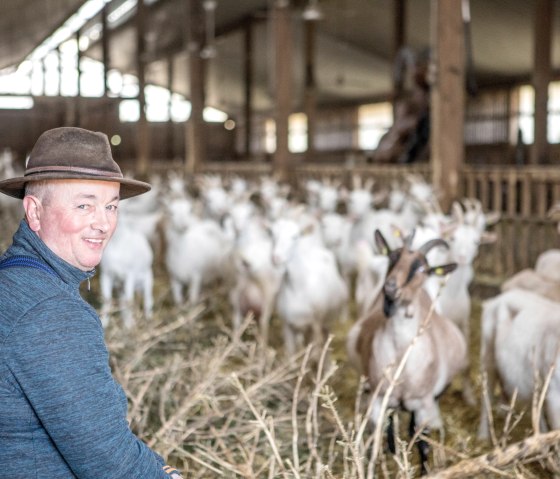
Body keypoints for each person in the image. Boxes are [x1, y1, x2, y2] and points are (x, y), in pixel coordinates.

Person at [0, 127, 184, 478]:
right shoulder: (51, 312)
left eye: (111, 206)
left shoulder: (13, 280)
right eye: (84, 205)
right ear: (34, 213)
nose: (103, 223)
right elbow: (112, 464)